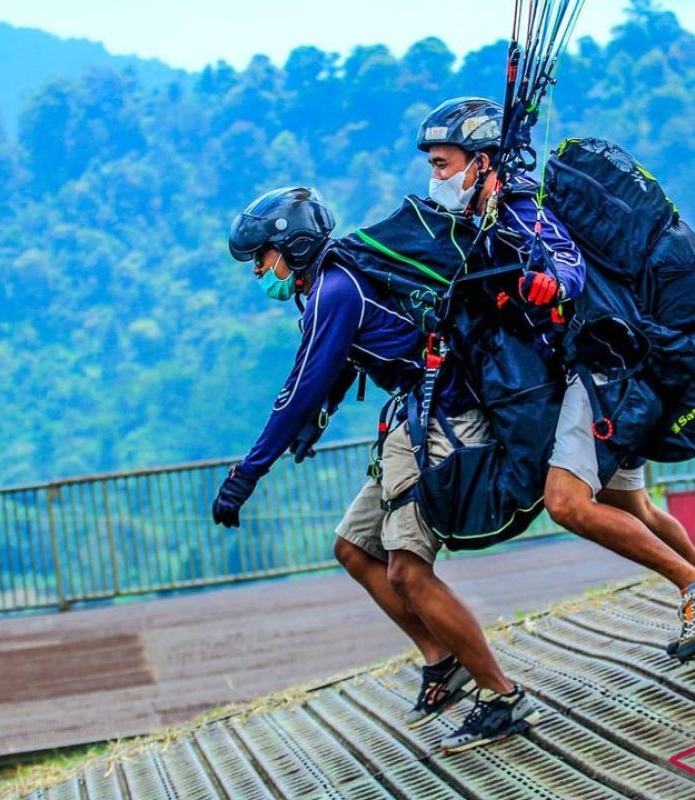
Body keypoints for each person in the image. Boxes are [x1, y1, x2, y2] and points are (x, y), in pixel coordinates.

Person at [416, 97, 695, 664]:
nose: (435, 176)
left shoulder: (522, 210)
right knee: (632, 506)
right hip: (620, 367)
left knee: (569, 504)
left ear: (481, 161)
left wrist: (552, 284)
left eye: (443, 163)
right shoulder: (487, 219)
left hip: (605, 375)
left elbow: (563, 261)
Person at [211, 186, 539, 753]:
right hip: (410, 417)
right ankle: (442, 661)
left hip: (441, 416)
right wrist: (320, 418)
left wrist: (247, 474)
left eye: (262, 258)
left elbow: (298, 389)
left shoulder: (334, 291)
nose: (259, 271)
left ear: (291, 246)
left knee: (408, 571)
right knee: (355, 548)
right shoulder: (331, 286)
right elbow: (338, 366)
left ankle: (502, 696)